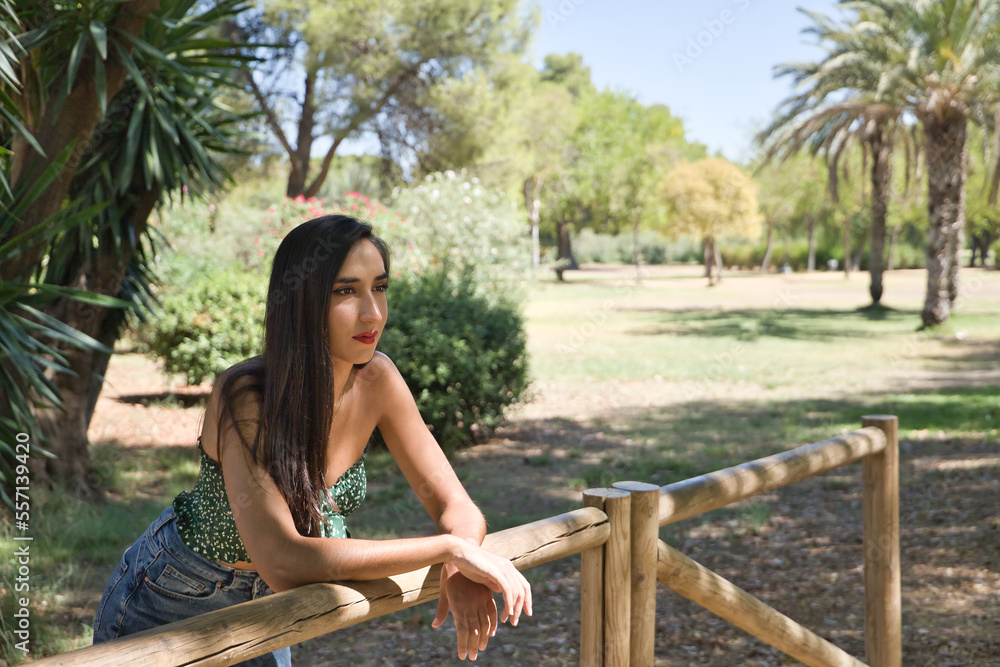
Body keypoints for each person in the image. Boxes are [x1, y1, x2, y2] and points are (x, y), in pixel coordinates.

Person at [92, 215, 532, 665]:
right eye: (346, 291)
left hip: (272, 612)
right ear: (302, 301)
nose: (372, 313)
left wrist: (461, 566)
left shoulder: (378, 379)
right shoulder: (244, 396)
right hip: (173, 600)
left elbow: (454, 505)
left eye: (379, 287)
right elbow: (284, 560)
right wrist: (449, 548)